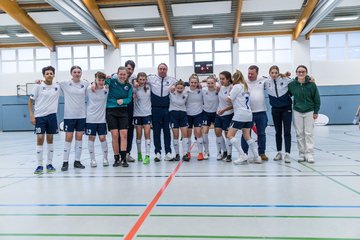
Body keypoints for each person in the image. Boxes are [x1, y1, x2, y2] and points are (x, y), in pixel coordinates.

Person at [28, 66, 60, 174]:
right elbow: (30, 101)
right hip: (40, 116)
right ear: (44, 75)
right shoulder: (38, 86)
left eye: (51, 73)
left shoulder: (57, 86)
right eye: (47, 73)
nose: (49, 75)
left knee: (50, 139)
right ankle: (39, 165)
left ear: (54, 75)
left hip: (52, 116)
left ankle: (49, 164)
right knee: (40, 139)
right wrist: (32, 115)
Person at [226, 70, 262, 165]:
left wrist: (226, 94)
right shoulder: (246, 86)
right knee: (247, 136)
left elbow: (229, 99)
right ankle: (257, 157)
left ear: (234, 78)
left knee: (229, 135)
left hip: (240, 114)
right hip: (248, 114)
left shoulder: (236, 86)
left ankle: (242, 155)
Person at [288, 65, 321, 163]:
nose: (301, 73)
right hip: (297, 111)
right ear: (296, 73)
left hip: (309, 111)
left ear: (306, 73)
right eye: (299, 72)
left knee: (309, 133)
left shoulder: (312, 84)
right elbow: (288, 93)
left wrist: (316, 111)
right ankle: (301, 154)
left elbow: (317, 99)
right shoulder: (292, 84)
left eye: (303, 72)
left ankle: (309, 154)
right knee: (299, 133)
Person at [59, 66, 89, 171]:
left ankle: (77, 161)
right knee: (68, 138)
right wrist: (39, 82)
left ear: (81, 73)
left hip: (81, 116)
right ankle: (65, 162)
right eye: (75, 72)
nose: (77, 73)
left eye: (79, 72)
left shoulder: (85, 84)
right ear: (71, 73)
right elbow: (52, 86)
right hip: (69, 116)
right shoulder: (64, 83)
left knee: (79, 138)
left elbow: (93, 89)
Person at [145, 63, 177, 162]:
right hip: (155, 109)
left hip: (167, 109)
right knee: (156, 131)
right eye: (160, 69)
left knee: (167, 131)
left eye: (164, 69)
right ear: (158, 69)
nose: (162, 70)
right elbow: (138, 78)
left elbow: (184, 84)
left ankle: (168, 152)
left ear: (167, 70)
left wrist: (175, 86)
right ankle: (157, 152)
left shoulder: (172, 80)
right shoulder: (151, 78)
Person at [105, 66, 132, 167]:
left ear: (127, 75)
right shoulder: (111, 81)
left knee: (124, 134)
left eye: (124, 74)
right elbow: (100, 82)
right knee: (115, 135)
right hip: (111, 110)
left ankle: (124, 158)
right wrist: (105, 78)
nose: (122, 76)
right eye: (120, 74)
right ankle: (116, 158)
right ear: (117, 74)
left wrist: (123, 101)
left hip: (123, 111)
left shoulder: (128, 86)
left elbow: (129, 98)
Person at [265, 66, 293, 163]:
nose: (274, 74)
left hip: (286, 109)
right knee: (278, 132)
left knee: (287, 132)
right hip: (275, 110)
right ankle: (279, 152)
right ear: (269, 73)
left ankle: (288, 154)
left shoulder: (285, 80)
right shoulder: (266, 82)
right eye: (272, 73)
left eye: (276, 73)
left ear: (278, 73)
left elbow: (296, 81)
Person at [241, 65, 269, 161]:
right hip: (248, 112)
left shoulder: (264, 80)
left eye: (252, 73)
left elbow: (275, 80)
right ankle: (244, 153)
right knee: (245, 133)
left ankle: (262, 153)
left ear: (257, 73)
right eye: (249, 73)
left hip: (261, 111)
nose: (250, 75)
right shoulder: (243, 81)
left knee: (261, 133)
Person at [85, 71, 109, 168]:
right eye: (99, 80)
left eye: (103, 80)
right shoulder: (89, 89)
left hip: (102, 119)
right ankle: (92, 159)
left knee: (102, 138)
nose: (101, 82)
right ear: (95, 79)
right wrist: (92, 83)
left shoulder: (106, 89)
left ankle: (105, 158)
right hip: (91, 119)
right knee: (91, 138)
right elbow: (84, 81)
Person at [133, 72, 152, 165]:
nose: (142, 81)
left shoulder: (149, 87)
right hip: (137, 114)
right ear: (137, 79)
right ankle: (139, 153)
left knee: (147, 133)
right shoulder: (135, 87)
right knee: (139, 134)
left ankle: (147, 155)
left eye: (144, 79)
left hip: (147, 114)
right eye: (140, 79)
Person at [169, 80, 190, 161]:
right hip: (173, 114)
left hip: (183, 114)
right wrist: (173, 86)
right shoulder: (171, 92)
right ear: (175, 87)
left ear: (184, 88)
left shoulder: (186, 92)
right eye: (178, 88)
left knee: (185, 134)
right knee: (176, 135)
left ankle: (185, 154)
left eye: (181, 88)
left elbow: (197, 85)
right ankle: (177, 154)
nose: (179, 89)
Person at [215, 71, 234, 162]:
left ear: (228, 79)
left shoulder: (232, 88)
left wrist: (224, 110)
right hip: (219, 114)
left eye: (223, 79)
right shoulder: (220, 87)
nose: (221, 80)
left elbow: (234, 104)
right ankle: (224, 152)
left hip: (228, 114)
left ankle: (229, 155)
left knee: (227, 135)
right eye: (220, 79)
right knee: (217, 132)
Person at [186, 74, 204, 161]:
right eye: (192, 82)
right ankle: (188, 152)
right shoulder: (185, 91)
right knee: (188, 134)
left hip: (198, 114)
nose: (193, 84)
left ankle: (200, 153)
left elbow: (214, 85)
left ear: (198, 83)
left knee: (198, 132)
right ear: (189, 82)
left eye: (195, 82)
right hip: (188, 114)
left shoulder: (201, 90)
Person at [202, 75, 219, 160]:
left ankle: (219, 152)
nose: (210, 85)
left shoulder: (218, 89)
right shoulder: (203, 90)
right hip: (206, 113)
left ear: (215, 83)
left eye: (212, 83)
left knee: (218, 133)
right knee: (205, 133)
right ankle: (206, 151)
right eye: (208, 83)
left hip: (216, 113)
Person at [124, 60, 136, 162]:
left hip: (130, 107)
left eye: (132, 69)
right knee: (120, 132)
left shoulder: (133, 79)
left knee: (130, 131)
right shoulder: (116, 77)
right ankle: (120, 154)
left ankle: (128, 153)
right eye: (128, 68)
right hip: (118, 108)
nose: (130, 71)